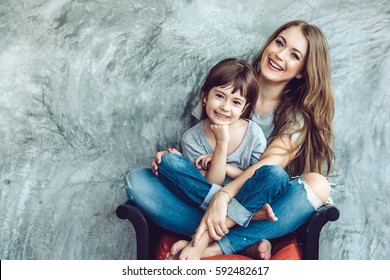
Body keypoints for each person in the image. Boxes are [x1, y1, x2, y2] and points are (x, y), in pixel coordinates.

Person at [126, 20, 335, 260]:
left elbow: (267, 169)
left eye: (294, 55)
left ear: (301, 71)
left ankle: (206, 245)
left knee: (317, 184)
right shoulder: (229, 84)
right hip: (224, 199)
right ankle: (245, 227)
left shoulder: (296, 116)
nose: (279, 54)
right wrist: (174, 161)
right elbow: (201, 149)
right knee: (138, 181)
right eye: (279, 42)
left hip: (262, 198)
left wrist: (223, 199)